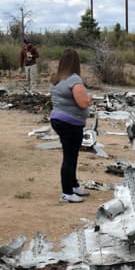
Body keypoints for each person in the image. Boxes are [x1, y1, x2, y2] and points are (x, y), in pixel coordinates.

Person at [49, 49, 92, 203]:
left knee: (72, 155)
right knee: (69, 157)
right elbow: (82, 103)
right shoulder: (75, 80)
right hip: (70, 123)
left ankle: (73, 185)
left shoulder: (56, 79)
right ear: (76, 63)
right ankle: (67, 192)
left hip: (58, 119)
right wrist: (89, 100)